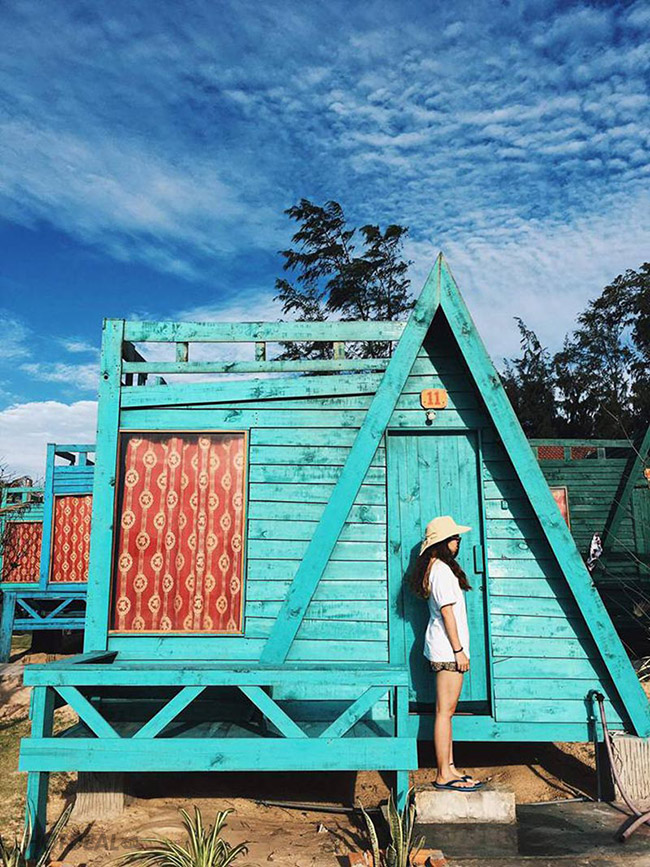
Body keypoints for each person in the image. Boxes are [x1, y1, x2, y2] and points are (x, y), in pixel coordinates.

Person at [413, 515, 483, 791]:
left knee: (447, 711)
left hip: (444, 648)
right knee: (444, 712)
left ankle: (450, 768)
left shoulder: (437, 567)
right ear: (442, 542)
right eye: (454, 538)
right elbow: (447, 614)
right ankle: (443, 773)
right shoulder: (441, 570)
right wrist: (459, 651)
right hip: (447, 650)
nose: (458, 541)